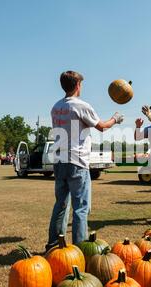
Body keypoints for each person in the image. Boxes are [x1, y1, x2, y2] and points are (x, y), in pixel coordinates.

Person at [45, 70, 124, 251]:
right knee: (81, 207)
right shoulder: (81, 106)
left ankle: (53, 244)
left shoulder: (55, 107)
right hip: (77, 161)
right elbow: (102, 127)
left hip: (59, 160)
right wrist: (116, 119)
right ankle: (79, 249)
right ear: (78, 85)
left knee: (61, 203)